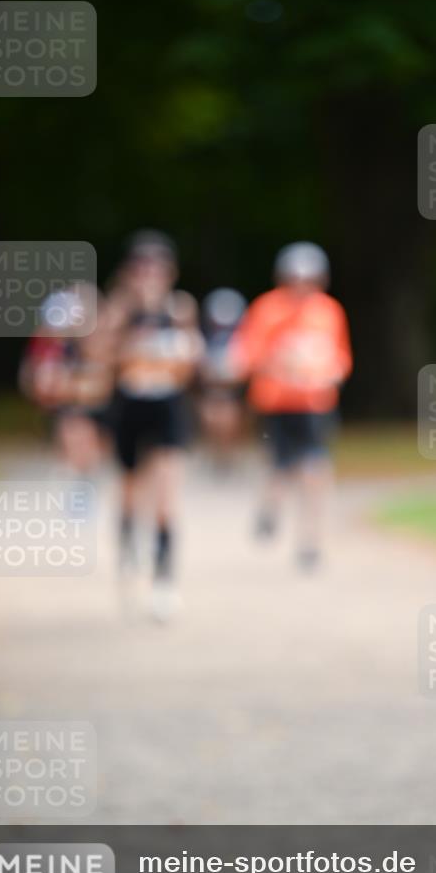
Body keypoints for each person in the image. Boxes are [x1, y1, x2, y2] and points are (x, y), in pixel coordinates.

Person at [229, 241, 353, 569]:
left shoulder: (329, 311)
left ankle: (310, 541)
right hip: (277, 403)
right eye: (295, 279)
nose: (302, 287)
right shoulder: (267, 309)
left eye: (309, 279)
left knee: (316, 469)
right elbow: (246, 356)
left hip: (315, 403)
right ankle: (270, 508)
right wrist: (282, 363)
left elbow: (341, 357)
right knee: (280, 467)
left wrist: (330, 371)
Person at [109, 230, 202, 621]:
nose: (149, 275)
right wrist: (128, 318)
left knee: (166, 494)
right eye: (141, 267)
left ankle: (164, 581)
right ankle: (128, 538)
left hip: (167, 405)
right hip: (130, 405)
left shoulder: (181, 309)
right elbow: (101, 355)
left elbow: (193, 359)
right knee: (131, 486)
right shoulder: (118, 309)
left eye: (156, 268)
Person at [20, 283, 114, 479]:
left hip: (97, 407)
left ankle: (83, 476)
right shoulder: (51, 343)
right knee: (73, 427)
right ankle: (76, 478)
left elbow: (103, 383)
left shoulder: (104, 340)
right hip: (71, 408)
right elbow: (35, 380)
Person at [198, 287, 247, 469]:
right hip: (211, 391)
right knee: (210, 422)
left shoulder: (241, 340)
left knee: (229, 424)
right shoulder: (207, 338)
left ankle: (228, 459)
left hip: (231, 393)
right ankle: (214, 456)